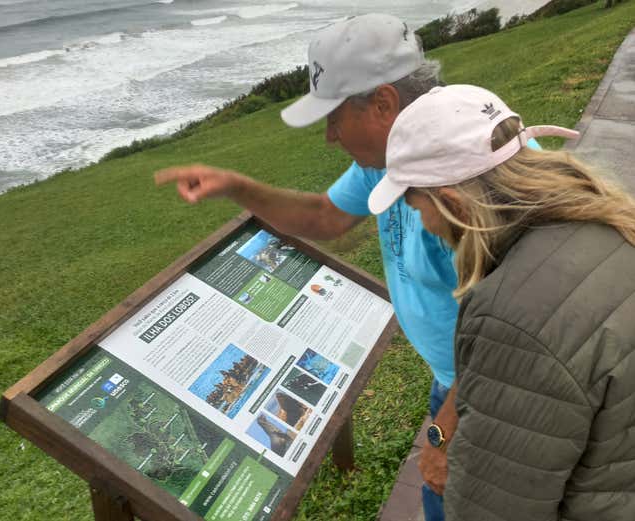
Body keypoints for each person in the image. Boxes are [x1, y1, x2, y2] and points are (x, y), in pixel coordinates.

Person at [155, 14, 456, 519]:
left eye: (334, 118)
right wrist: (236, 186)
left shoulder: (468, 173)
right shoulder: (392, 155)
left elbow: (523, 329)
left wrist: (443, 433)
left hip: (490, 388)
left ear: (383, 103)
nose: (330, 137)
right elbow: (326, 215)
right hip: (452, 376)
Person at [367, 83, 635, 520]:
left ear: (453, 203)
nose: (426, 224)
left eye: (419, 209)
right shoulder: (608, 222)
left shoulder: (513, 320)